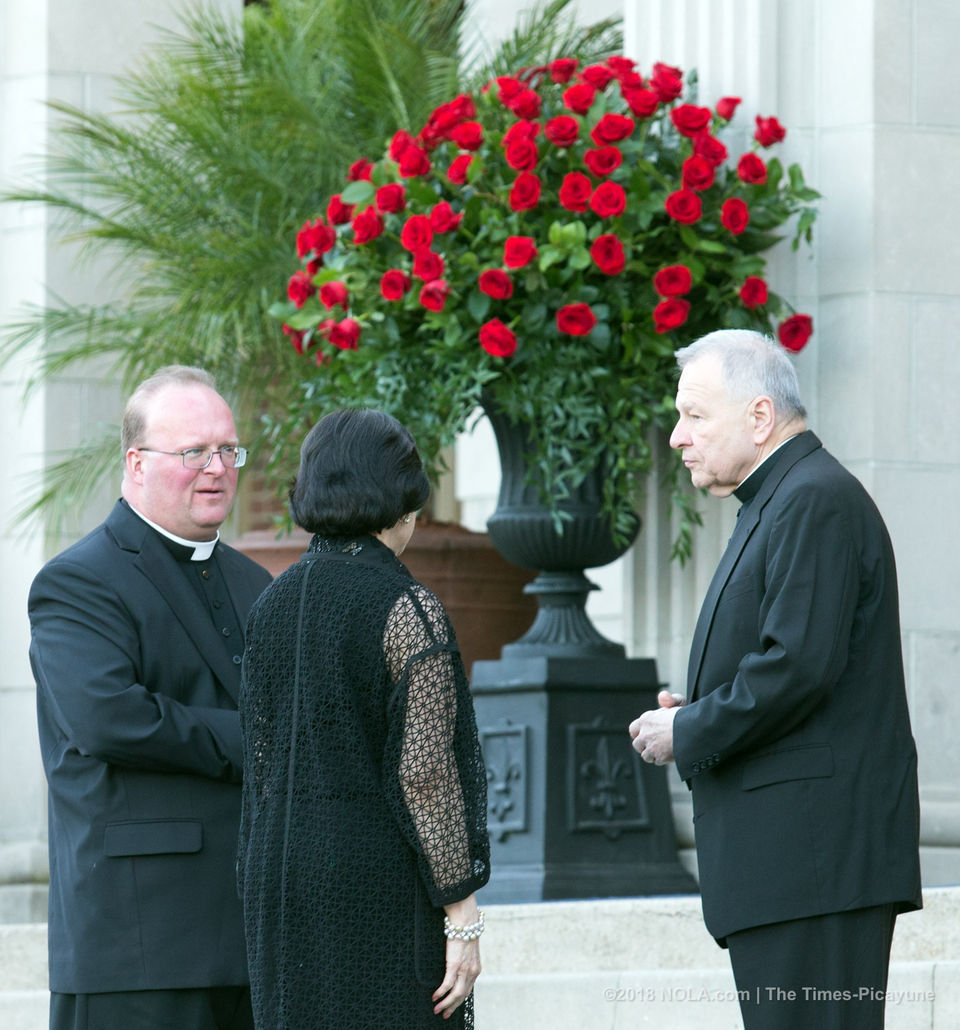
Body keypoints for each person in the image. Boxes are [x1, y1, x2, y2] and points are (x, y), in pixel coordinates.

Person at [629, 329, 921, 1029]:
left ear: (760, 418)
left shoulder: (811, 498)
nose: (677, 437)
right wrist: (699, 703)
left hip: (813, 866)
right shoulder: (785, 496)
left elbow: (798, 666)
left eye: (695, 416)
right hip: (796, 866)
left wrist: (689, 728)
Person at [29, 365, 272, 1030]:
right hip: (138, 942)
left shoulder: (257, 585)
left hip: (254, 941)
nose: (217, 467)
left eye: (227, 450)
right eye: (193, 451)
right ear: (136, 463)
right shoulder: (78, 582)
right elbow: (110, 719)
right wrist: (257, 742)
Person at [237, 408, 490, 1030]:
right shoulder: (408, 610)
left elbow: (263, 759)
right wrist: (462, 910)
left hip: (279, 877)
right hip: (375, 882)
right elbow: (425, 774)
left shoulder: (270, 604)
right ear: (401, 501)